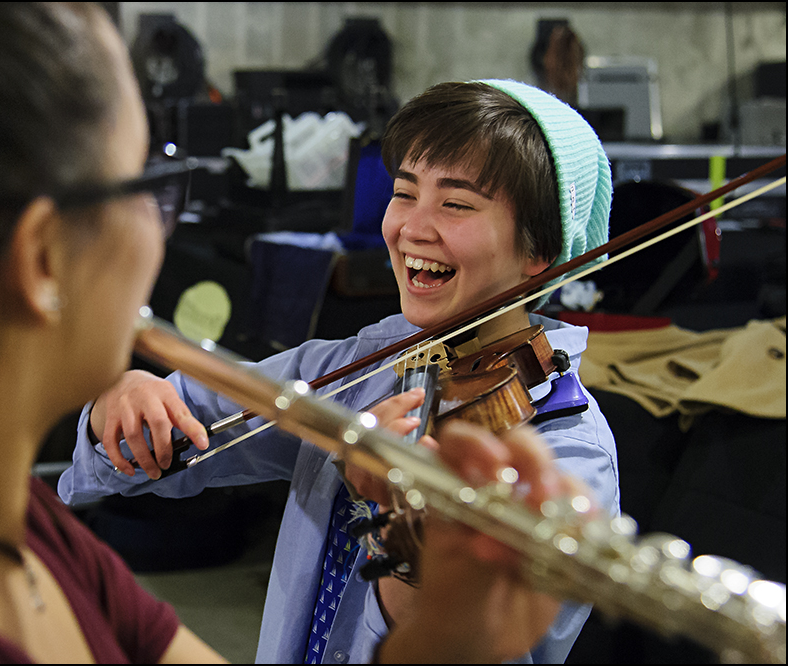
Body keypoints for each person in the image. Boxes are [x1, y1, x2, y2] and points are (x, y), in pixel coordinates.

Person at [0, 3, 587, 663]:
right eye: (149, 181)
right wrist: (121, 413)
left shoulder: (38, 541)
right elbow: (141, 456)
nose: (162, 229)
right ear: (40, 259)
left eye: (456, 203)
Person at [59, 79, 620, 663]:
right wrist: (121, 403)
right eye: (405, 193)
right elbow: (170, 442)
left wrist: (403, 538)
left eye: (456, 203)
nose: (412, 228)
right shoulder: (357, 365)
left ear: (540, 252)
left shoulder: (569, 453)